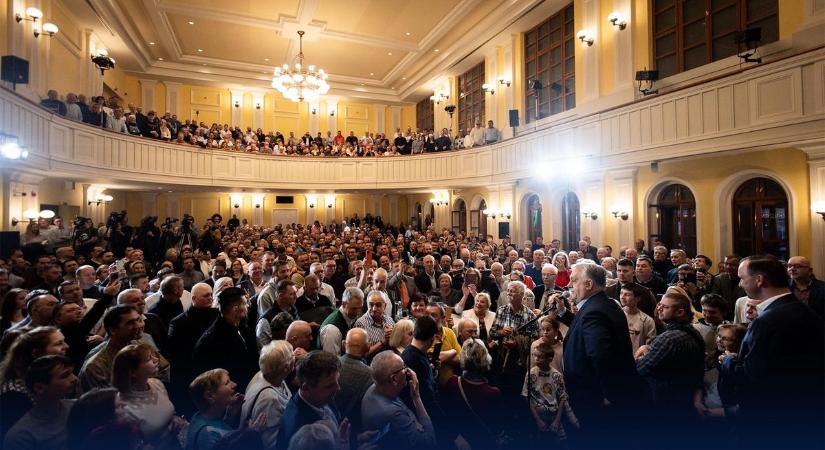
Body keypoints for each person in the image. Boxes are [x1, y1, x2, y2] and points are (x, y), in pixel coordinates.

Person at [720, 255, 824, 448]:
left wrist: (728, 360)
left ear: (759, 280)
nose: (741, 284)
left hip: (769, 420)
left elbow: (750, 376)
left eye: (742, 278)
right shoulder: (804, 311)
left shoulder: (767, 321)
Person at [552, 262, 646, 447]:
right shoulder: (604, 305)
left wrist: (606, 395)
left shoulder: (593, 311)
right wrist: (563, 313)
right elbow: (583, 328)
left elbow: (601, 356)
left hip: (594, 399)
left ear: (588, 285)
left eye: (574, 281)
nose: (570, 286)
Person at [635, 288, 704, 442]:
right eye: (660, 304)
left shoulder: (669, 338)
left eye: (665, 307)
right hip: (683, 401)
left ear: (680, 312)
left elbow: (640, 369)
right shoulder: (693, 332)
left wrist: (641, 355)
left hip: (665, 405)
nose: (659, 308)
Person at [112, 342, 185, 449]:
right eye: (149, 359)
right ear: (133, 372)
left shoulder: (156, 383)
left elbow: (165, 411)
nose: (156, 359)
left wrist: (174, 418)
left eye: (153, 355)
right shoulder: (123, 408)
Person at [361, 351, 437, 450]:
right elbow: (430, 442)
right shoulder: (392, 412)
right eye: (403, 367)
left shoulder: (376, 387)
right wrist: (417, 398)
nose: (407, 371)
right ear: (394, 379)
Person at [2, 355, 77, 450]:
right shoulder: (21, 436)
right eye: (65, 376)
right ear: (39, 388)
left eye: (72, 373)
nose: (74, 379)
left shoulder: (76, 407)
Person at [441, 339, 502, 450]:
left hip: (458, 442)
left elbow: (444, 415)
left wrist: (456, 438)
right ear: (486, 359)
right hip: (484, 443)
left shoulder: (452, 383)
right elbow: (496, 425)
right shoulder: (493, 393)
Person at [193, 287, 258, 391]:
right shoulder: (212, 341)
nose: (248, 306)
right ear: (235, 309)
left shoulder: (243, 326)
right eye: (245, 303)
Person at [275, 350, 342, 450]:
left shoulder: (321, 397)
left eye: (337, 381)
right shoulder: (299, 432)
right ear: (306, 388)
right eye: (329, 386)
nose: (338, 388)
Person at [241, 340, 294, 449]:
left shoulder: (268, 373)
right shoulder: (269, 399)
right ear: (286, 367)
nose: (295, 357)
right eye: (292, 354)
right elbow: (270, 443)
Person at [523, 342, 578, 447]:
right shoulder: (531, 374)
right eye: (535, 356)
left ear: (549, 359)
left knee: (561, 443)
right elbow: (527, 396)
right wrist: (538, 420)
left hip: (554, 416)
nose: (536, 359)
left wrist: (557, 421)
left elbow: (562, 398)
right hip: (538, 416)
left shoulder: (556, 375)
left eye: (540, 357)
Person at [187, 369, 245, 450]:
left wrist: (230, 416)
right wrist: (249, 435)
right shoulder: (207, 434)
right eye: (227, 383)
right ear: (210, 396)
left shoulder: (198, 417)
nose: (234, 384)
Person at [335, 328, 373, 432]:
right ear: (368, 347)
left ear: (343, 344)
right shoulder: (370, 375)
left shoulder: (330, 363)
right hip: (352, 431)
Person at [318, 287, 364, 355]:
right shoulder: (332, 330)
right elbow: (333, 360)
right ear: (344, 304)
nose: (357, 312)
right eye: (354, 308)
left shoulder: (351, 316)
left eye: (360, 308)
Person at [620, 283, 657, 354]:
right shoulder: (614, 315)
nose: (622, 297)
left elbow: (650, 346)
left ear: (637, 299)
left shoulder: (647, 320)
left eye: (627, 295)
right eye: (621, 293)